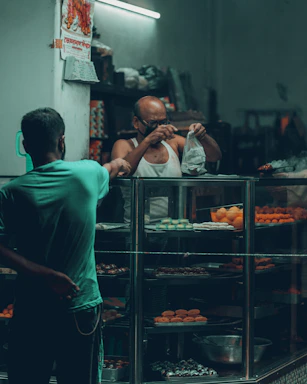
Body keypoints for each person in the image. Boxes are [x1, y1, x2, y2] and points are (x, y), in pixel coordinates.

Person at [0, 108, 131, 384]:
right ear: (61, 141)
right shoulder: (87, 174)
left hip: (31, 310)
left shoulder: (12, 192)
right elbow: (115, 167)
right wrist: (123, 162)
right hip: (80, 307)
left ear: (25, 146)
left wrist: (44, 275)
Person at [111, 96, 222, 223]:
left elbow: (214, 156)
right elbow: (122, 171)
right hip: (137, 230)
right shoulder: (124, 145)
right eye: (153, 123)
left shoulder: (172, 142)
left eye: (163, 123)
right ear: (136, 122)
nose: (160, 128)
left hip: (173, 227)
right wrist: (148, 140)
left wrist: (202, 136)